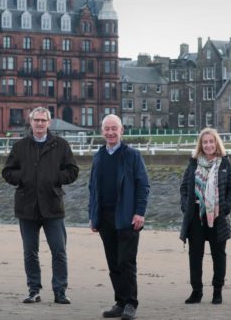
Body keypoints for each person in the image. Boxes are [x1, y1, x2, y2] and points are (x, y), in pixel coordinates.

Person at [2, 107, 79, 305]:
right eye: (36, 120)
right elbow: (7, 172)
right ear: (31, 122)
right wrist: (24, 178)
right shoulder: (20, 146)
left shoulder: (60, 145)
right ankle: (33, 289)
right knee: (30, 252)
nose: (40, 124)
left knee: (59, 251)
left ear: (49, 122)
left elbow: (72, 170)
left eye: (43, 120)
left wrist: (55, 178)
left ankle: (60, 291)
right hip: (26, 206)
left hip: (53, 206)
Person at [88, 114, 150, 320]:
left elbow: (143, 185)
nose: (110, 132)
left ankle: (131, 303)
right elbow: (93, 188)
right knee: (113, 262)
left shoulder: (132, 155)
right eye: (107, 129)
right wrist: (92, 215)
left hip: (127, 216)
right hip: (104, 217)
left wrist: (140, 212)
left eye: (114, 128)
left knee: (126, 261)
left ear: (121, 131)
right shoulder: (98, 156)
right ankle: (120, 302)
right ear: (102, 131)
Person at [179, 128, 231, 305]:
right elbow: (183, 188)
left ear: (216, 143)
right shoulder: (193, 164)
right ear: (201, 145)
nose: (208, 145)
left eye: (211, 142)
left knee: (218, 255)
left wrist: (225, 208)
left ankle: (217, 291)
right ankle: (196, 291)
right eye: (205, 142)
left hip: (218, 217)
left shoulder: (225, 164)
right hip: (196, 217)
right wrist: (185, 206)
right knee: (195, 255)